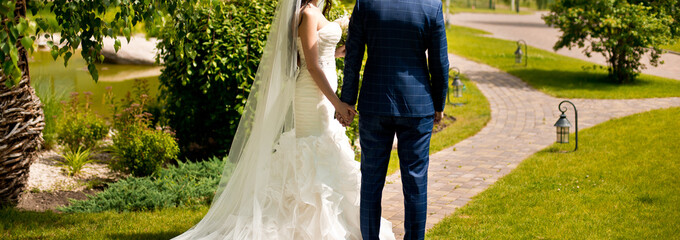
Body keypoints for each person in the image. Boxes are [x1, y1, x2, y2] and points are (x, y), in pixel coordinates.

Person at [172, 0, 395, 239]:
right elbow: (310, 65)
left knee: (323, 151)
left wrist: (337, 52)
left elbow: (316, 52)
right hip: (312, 95)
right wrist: (337, 102)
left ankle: (330, 219)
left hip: (321, 91)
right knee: (313, 151)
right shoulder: (308, 14)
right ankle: (309, 223)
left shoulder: (314, 11)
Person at [338, 0, 450, 239]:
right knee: (416, 182)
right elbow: (439, 63)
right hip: (417, 104)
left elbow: (353, 56)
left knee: (371, 180)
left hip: (374, 102)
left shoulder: (366, 4)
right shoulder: (431, 6)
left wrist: (348, 99)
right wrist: (439, 102)